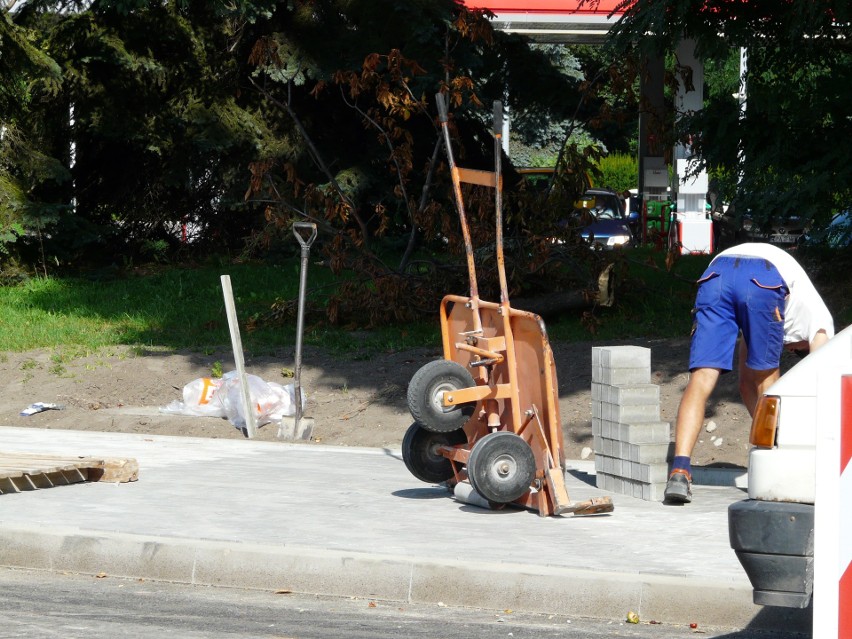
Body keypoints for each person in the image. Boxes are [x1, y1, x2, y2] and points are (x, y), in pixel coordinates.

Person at [664, 242, 834, 503]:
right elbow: (823, 383)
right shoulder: (822, 325)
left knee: (702, 378)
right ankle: (777, 468)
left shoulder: (788, 314)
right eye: (797, 351)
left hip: (717, 274)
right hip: (763, 278)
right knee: (768, 381)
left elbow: (745, 385)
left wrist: (766, 436)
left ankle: (679, 471)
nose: (792, 351)